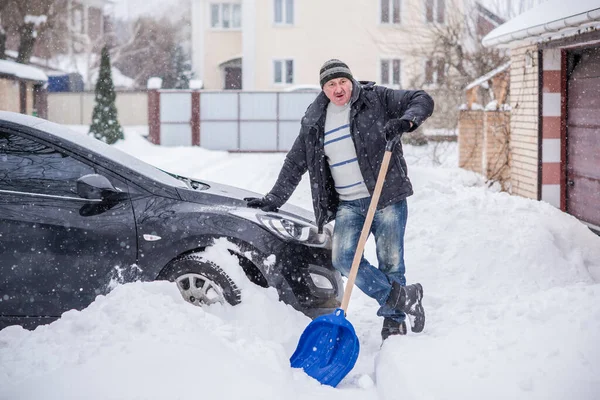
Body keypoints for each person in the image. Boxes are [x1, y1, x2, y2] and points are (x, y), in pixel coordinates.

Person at [245, 59, 434, 341]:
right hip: (349, 204)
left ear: (351, 81)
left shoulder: (376, 99)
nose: (338, 88)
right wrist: (274, 198)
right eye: (331, 84)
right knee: (344, 259)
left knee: (391, 261)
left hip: (386, 196)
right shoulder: (314, 120)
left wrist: (405, 121)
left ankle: (393, 320)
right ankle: (404, 298)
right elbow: (296, 162)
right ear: (324, 89)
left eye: (342, 81)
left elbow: (422, 99)